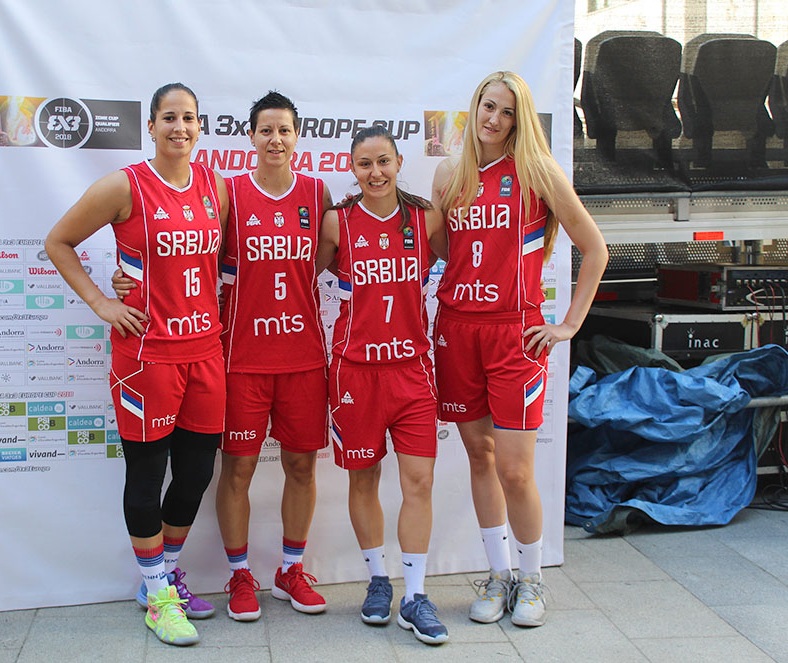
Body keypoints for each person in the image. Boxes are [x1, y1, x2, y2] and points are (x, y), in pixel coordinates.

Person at [114, 91, 333, 621]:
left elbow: (332, 256)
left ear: (298, 136)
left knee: (302, 465)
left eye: (285, 130)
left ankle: (291, 568)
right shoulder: (227, 191)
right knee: (235, 470)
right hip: (237, 356)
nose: (275, 139)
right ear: (251, 137)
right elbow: (187, 251)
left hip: (302, 355)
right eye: (265, 130)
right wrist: (125, 283)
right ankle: (239, 576)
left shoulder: (317, 192)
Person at [45, 82, 227, 647]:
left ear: (200, 127)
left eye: (189, 118)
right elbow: (59, 241)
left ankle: (162, 576)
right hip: (146, 356)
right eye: (169, 118)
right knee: (146, 477)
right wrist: (104, 300)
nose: (180, 127)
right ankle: (155, 593)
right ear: (150, 127)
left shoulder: (213, 186)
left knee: (196, 473)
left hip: (206, 350)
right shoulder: (125, 185)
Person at [431, 71, 608, 627]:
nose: (494, 119)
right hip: (458, 330)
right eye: (488, 106)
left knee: (515, 469)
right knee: (479, 458)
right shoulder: (448, 174)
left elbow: (595, 246)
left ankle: (532, 580)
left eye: (507, 111)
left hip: (515, 333)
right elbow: (443, 252)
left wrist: (568, 325)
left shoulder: (536, 172)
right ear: (474, 105)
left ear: (520, 118)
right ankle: (499, 574)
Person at [314, 125, 449, 645]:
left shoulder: (424, 219)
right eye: (364, 164)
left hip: (412, 372)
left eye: (384, 162)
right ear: (352, 168)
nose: (375, 173)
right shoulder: (337, 223)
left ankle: (415, 595)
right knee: (363, 480)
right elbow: (293, 278)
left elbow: (467, 264)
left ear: (398, 164)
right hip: (354, 371)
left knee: (419, 482)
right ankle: (377, 580)